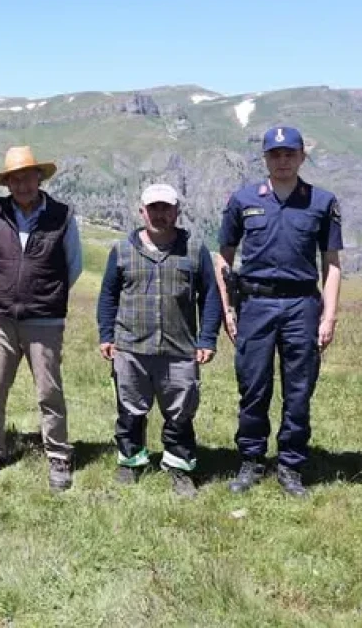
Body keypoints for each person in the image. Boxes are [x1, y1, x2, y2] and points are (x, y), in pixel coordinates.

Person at [218, 126, 343, 498]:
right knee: (253, 387)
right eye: (275, 154)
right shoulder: (242, 200)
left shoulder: (322, 202)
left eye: (290, 154)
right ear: (265, 159)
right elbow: (223, 256)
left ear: (302, 157)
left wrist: (329, 316)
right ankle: (252, 460)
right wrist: (228, 307)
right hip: (254, 304)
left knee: (299, 389)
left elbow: (332, 263)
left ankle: (291, 465)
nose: (283, 161)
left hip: (303, 305)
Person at [96, 183, 221, 498]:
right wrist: (106, 335)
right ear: (142, 211)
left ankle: (179, 466)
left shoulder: (194, 250)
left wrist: (207, 338)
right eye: (154, 208)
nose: (160, 214)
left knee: (180, 411)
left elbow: (210, 297)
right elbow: (108, 295)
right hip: (130, 346)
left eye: (166, 208)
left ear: (177, 211)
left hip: (179, 349)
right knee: (130, 409)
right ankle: (131, 461)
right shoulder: (122, 250)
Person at [0, 146, 83, 492]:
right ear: (7, 183)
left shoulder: (62, 215)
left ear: (40, 177)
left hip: (44, 319)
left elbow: (74, 266)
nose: (22, 184)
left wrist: (44, 295)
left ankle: (57, 454)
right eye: (14, 179)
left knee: (48, 390)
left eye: (27, 176)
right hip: (0, 316)